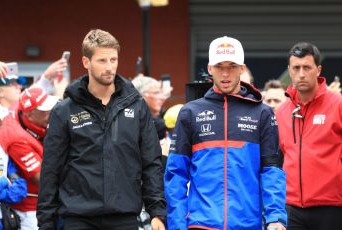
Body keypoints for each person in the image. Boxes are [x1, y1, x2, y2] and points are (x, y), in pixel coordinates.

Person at [37, 29, 166, 230]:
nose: (109, 67)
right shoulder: (64, 110)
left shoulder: (136, 106)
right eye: (102, 61)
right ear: (86, 62)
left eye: (113, 60)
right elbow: (51, 170)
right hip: (78, 219)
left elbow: (151, 162)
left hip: (124, 217)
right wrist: (46, 222)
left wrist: (157, 211)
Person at [164, 36, 287, 230]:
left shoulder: (262, 113)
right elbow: (176, 174)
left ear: (242, 68)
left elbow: (272, 171)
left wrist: (276, 217)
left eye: (232, 66)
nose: (226, 73)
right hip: (200, 224)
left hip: (247, 224)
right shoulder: (190, 112)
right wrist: (177, 225)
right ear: (210, 68)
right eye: (220, 66)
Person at [276, 42, 342, 230]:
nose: (301, 74)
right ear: (289, 70)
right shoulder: (281, 112)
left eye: (307, 67)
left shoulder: (338, 105)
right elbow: (276, 160)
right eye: (296, 68)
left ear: (318, 70)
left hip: (332, 207)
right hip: (292, 207)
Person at [0, 87, 59, 230]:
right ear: (30, 114)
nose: (50, 113)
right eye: (45, 111)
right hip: (29, 211)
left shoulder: (19, 106)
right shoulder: (17, 139)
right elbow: (44, 179)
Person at [0, 107, 28, 230]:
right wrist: (4, 182)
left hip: (1, 219)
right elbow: (6, 181)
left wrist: (2, 194)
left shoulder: (2, 152)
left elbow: (20, 189)